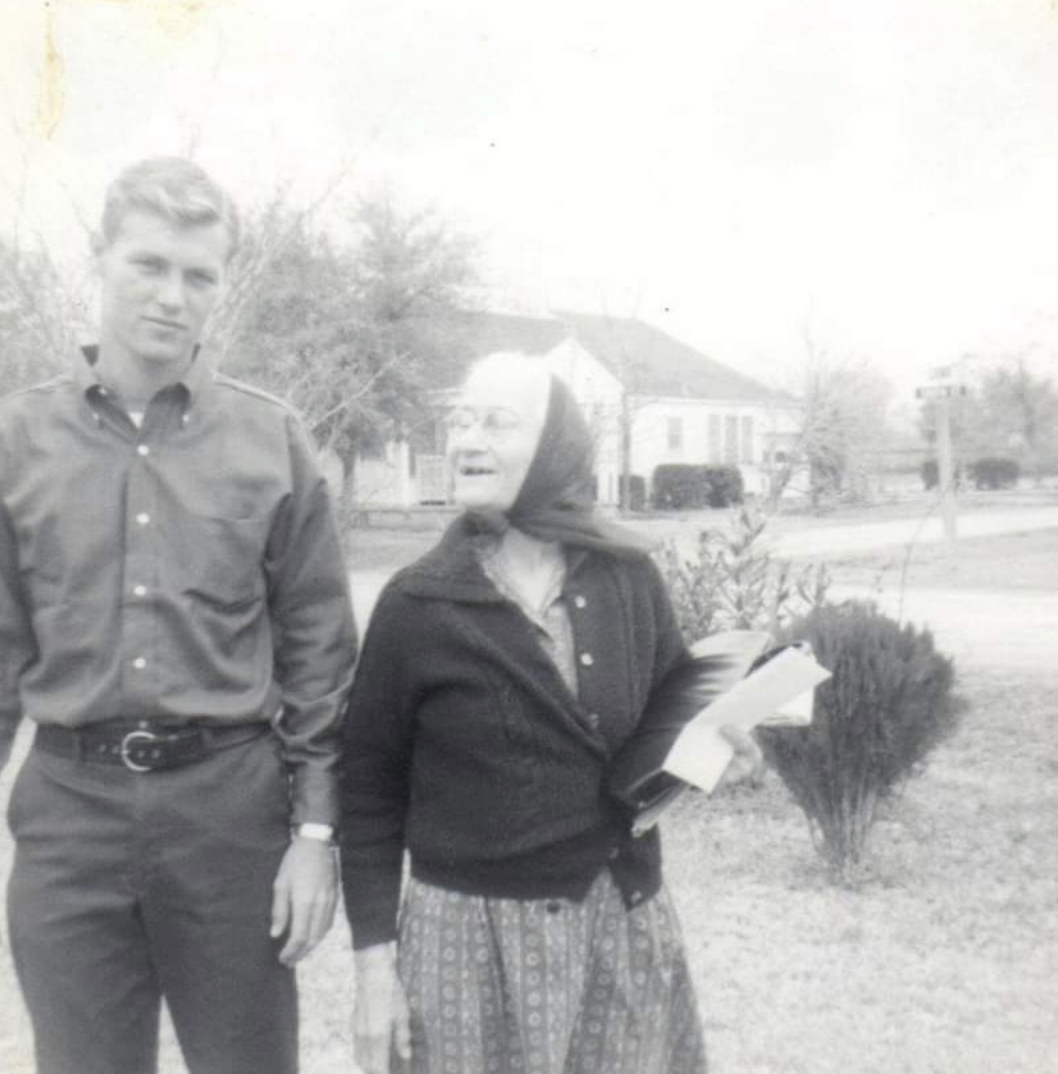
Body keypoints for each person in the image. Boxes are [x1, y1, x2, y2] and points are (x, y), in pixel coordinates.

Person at [0, 157, 357, 1074]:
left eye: (199, 275)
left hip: (228, 817)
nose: (172, 296)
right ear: (100, 258)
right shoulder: (15, 440)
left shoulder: (272, 439)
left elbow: (320, 654)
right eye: (148, 265)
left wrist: (315, 834)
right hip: (68, 816)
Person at [339, 353, 762, 1074]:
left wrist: (720, 745)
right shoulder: (416, 604)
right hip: (468, 949)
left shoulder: (628, 576)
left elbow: (666, 725)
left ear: (556, 448)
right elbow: (368, 792)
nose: (467, 441)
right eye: (460, 421)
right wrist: (375, 975)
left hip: (618, 925)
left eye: (496, 423)